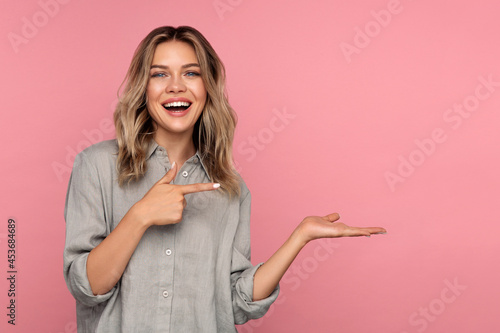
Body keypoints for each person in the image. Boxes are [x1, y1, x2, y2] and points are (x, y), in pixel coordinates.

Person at [63, 25, 386, 333]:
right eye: (159, 74)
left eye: (191, 73)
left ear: (208, 87)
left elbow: (233, 303)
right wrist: (140, 216)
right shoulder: (97, 165)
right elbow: (87, 288)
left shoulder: (229, 187)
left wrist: (299, 237)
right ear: (143, 88)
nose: (176, 85)